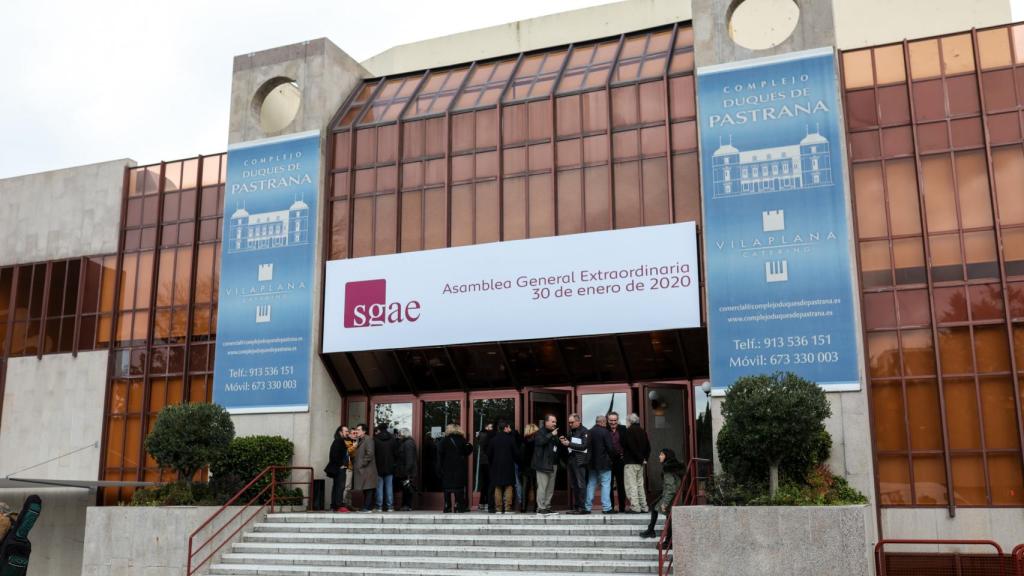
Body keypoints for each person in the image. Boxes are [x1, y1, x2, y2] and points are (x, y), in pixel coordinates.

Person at [639, 448, 686, 547]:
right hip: (673, 496)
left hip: (671, 498)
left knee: (669, 519)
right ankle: (652, 530)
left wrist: (665, 503)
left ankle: (668, 542)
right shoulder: (672, 468)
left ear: (667, 456)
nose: (659, 456)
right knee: (654, 507)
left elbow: (671, 488)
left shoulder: (668, 469)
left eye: (661, 455)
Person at [437, 424, 474, 513]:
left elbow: (439, 456)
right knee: (459, 488)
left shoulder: (443, 441)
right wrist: (470, 445)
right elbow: (467, 451)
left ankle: (447, 506)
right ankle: (458, 505)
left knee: (447, 488)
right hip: (459, 468)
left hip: (447, 468)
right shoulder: (462, 440)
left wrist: (439, 469)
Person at [559, 413, 590, 514]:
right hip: (571, 460)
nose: (570, 424)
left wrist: (569, 444)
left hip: (580, 461)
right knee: (574, 484)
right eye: (569, 422)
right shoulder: (571, 431)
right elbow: (569, 445)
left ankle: (582, 507)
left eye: (572, 422)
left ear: (578, 421)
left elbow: (584, 446)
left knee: (581, 484)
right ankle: (576, 507)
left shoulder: (584, 431)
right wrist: (564, 441)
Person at [486, 420, 518, 513]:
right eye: (508, 427)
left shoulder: (493, 440)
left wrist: (493, 463)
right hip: (508, 465)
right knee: (509, 486)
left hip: (496, 466)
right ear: (505, 428)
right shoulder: (511, 439)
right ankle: (507, 508)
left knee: (497, 487)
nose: (509, 429)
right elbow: (516, 453)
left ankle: (498, 509)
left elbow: (488, 454)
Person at [585, 414, 615, 514]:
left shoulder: (590, 432)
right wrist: (613, 458)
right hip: (604, 463)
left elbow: (586, 447)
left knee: (591, 484)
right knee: (605, 485)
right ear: (602, 422)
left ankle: (587, 507)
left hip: (592, 463)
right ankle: (606, 508)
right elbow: (610, 448)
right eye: (605, 422)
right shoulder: (605, 432)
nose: (606, 424)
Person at [622, 413, 651, 513]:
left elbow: (631, 447)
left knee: (631, 485)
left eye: (627, 421)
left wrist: (639, 458)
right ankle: (644, 506)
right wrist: (644, 459)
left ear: (629, 421)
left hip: (631, 463)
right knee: (639, 485)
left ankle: (635, 506)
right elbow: (648, 447)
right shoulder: (642, 431)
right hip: (640, 463)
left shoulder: (629, 431)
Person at [532, 414, 560, 515]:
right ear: (546, 422)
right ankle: (541, 508)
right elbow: (540, 442)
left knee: (550, 488)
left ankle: (547, 506)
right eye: (553, 422)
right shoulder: (540, 432)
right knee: (542, 487)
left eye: (555, 422)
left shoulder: (553, 433)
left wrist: (558, 438)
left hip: (553, 465)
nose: (555, 424)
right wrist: (551, 435)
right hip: (542, 465)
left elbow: (556, 446)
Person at [351, 424, 378, 512]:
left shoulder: (368, 439)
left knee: (368, 488)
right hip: (363, 469)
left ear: (364, 431)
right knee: (365, 488)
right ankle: (367, 506)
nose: (357, 431)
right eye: (356, 429)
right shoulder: (359, 440)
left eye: (358, 430)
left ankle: (367, 507)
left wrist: (361, 464)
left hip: (367, 469)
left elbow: (370, 454)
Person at [324, 426, 351, 513]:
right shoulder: (339, 441)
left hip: (338, 468)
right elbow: (334, 455)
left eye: (348, 431)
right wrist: (341, 465)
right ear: (340, 432)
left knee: (337, 487)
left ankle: (335, 505)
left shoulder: (340, 441)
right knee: (340, 487)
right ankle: (338, 505)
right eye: (346, 431)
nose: (347, 432)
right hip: (339, 469)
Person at [373, 423, 398, 512]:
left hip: (378, 466)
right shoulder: (392, 439)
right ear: (387, 428)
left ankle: (379, 507)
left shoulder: (375, 439)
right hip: (390, 466)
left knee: (379, 487)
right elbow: (396, 453)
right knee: (389, 487)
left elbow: (373, 453)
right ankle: (390, 506)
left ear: (379, 429)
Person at [607, 411, 628, 513]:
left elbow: (628, 444)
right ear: (608, 420)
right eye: (611, 420)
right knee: (609, 485)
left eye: (615, 420)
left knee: (621, 484)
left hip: (620, 460)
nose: (613, 422)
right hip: (608, 461)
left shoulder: (623, 429)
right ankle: (610, 507)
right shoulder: (605, 429)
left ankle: (622, 507)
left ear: (618, 420)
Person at [395, 428, 418, 511]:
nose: (399, 436)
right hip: (405, 470)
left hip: (407, 472)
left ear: (404, 434)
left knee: (407, 489)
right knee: (405, 489)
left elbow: (410, 459)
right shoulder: (406, 442)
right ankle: (405, 505)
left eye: (400, 434)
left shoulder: (408, 443)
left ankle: (407, 505)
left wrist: (407, 472)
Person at [518, 423, 538, 513]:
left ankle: (523, 507)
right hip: (536, 467)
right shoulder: (538, 441)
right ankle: (536, 507)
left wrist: (521, 467)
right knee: (536, 487)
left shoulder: (523, 441)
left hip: (526, 467)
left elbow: (521, 456)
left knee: (525, 487)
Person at [475, 422, 494, 511]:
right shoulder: (486, 435)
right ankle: (487, 502)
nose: (492, 428)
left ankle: (482, 502)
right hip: (487, 461)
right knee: (489, 483)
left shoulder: (481, 434)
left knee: (484, 483)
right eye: (490, 426)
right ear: (486, 427)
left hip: (483, 461)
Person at [342, 425, 356, 509]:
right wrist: (354, 445)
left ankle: (349, 504)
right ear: (350, 434)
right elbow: (349, 451)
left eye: (356, 433)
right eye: (353, 433)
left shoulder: (355, 442)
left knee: (350, 487)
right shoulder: (346, 442)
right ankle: (343, 503)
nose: (355, 435)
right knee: (347, 487)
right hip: (348, 467)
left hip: (354, 467)